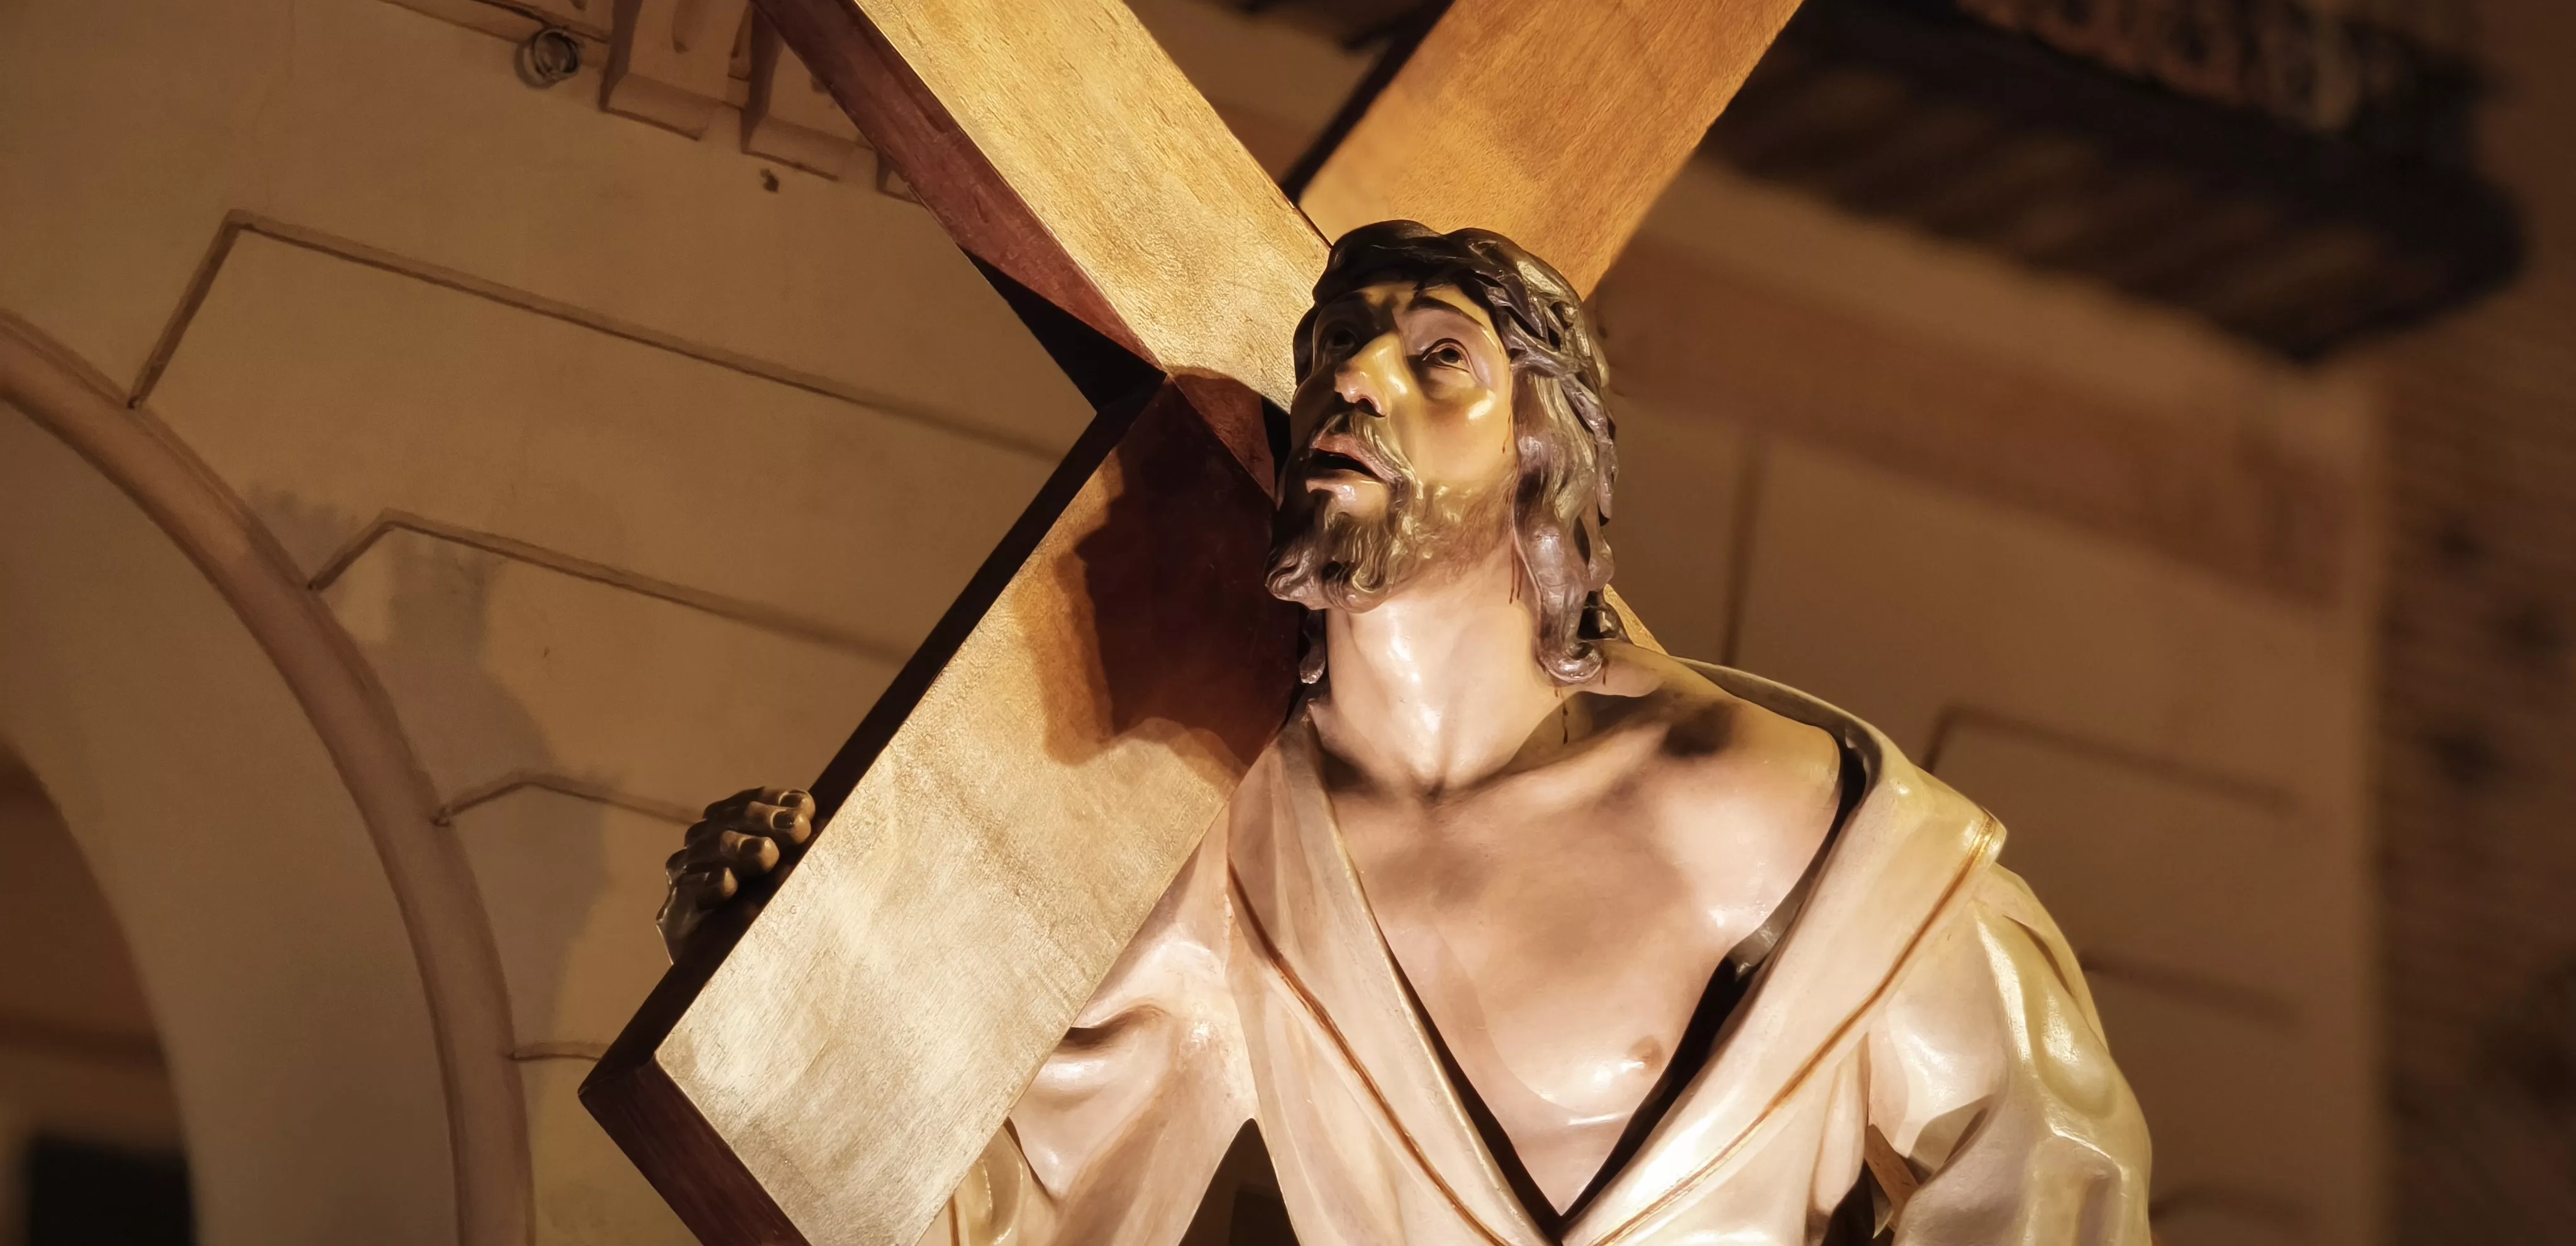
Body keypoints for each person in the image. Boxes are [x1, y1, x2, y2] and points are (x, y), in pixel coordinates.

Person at [661, 222, 2153, 1246]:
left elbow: (2042, 1172)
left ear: (1541, 458)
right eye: (1334, 352)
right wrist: (777, 1003)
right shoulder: (1238, 863)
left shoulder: (1764, 812)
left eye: (1439, 358)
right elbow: (1005, 1215)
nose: (1354, 380)